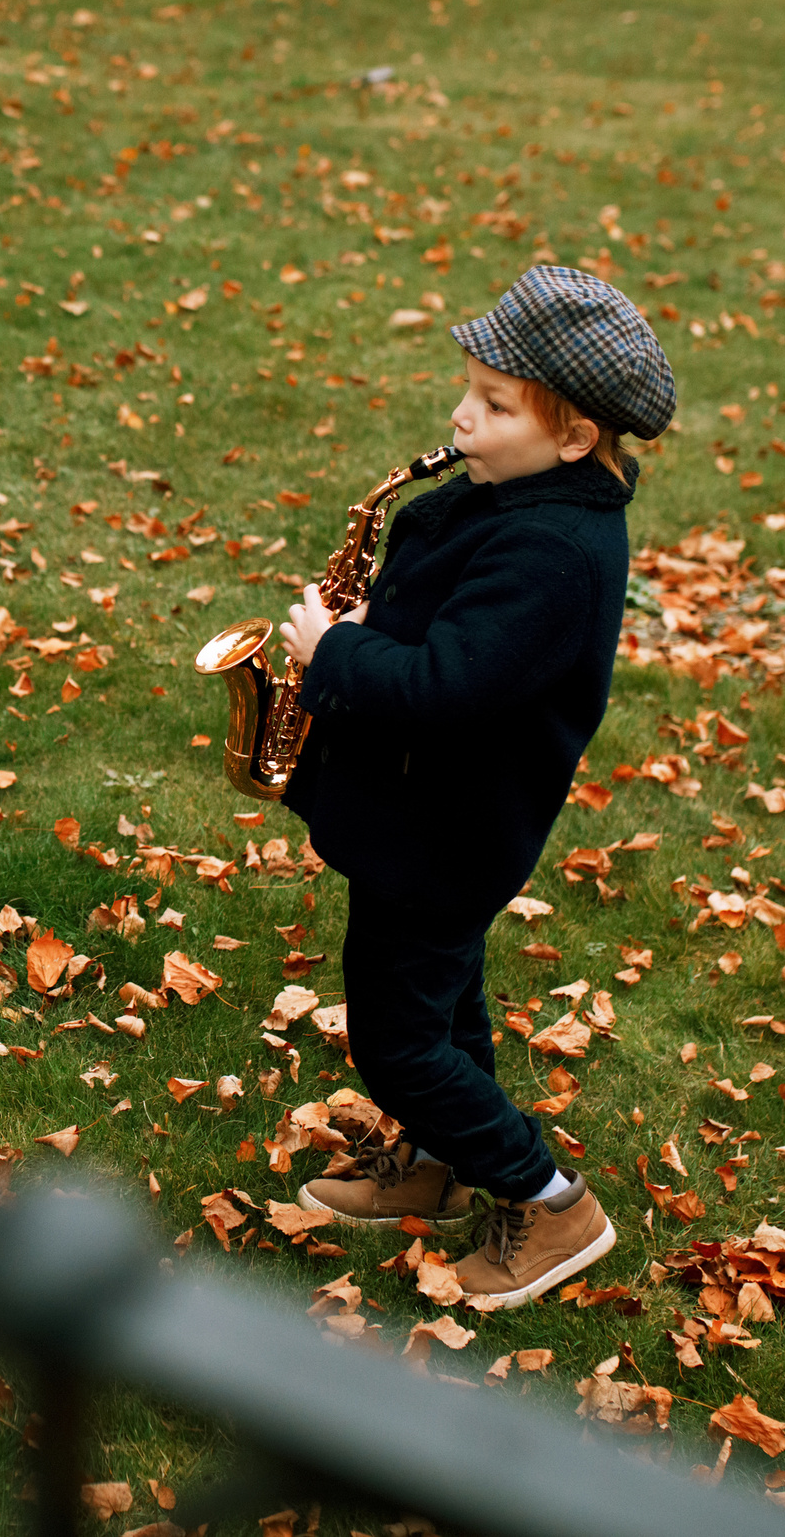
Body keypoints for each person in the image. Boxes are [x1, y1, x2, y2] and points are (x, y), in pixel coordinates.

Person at [272, 265, 676, 1307]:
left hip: (443, 830)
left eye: (494, 405)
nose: (462, 415)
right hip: (424, 818)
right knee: (442, 1008)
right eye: (468, 389)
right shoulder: (509, 494)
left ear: (575, 436)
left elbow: (444, 686)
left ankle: (546, 1202)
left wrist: (336, 654)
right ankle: (447, 1163)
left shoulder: (551, 549)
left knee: (397, 1041)